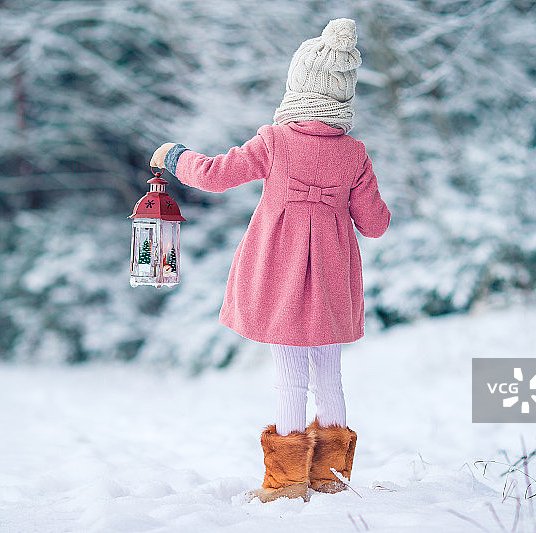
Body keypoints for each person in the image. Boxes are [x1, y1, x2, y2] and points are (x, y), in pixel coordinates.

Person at [150, 18, 390, 503]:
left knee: (290, 375)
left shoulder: (275, 141)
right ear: (343, 94)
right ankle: (331, 477)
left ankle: (286, 482)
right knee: (328, 373)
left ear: (298, 86)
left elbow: (217, 175)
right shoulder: (355, 153)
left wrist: (176, 157)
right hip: (329, 281)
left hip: (279, 275)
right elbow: (376, 223)